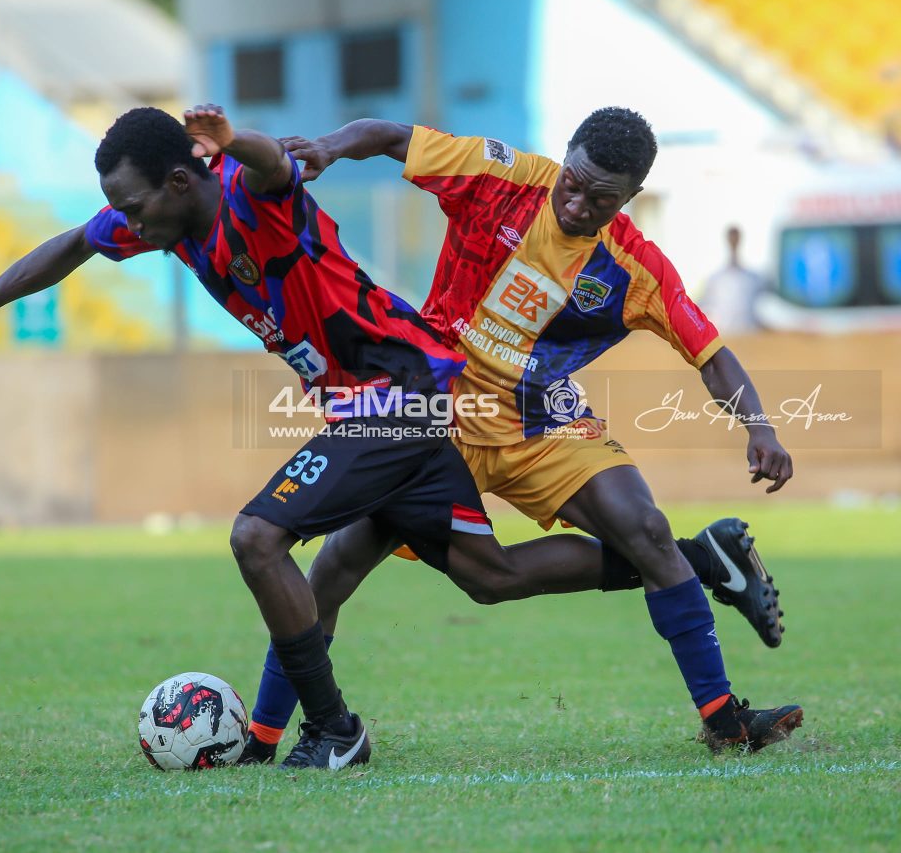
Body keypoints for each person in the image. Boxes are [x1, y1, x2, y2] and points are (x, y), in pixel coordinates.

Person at [0, 104, 719, 771]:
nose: (124, 220)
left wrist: (235, 139)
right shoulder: (164, 225)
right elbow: (73, 245)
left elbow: (270, 164)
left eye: (134, 203)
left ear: (183, 179)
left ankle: (336, 730)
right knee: (484, 576)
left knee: (259, 537)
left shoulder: (251, 202)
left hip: (402, 393)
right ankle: (689, 559)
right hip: (395, 407)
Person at [239, 108, 802, 764]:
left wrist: (758, 426)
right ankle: (262, 738)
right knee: (340, 568)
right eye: (573, 181)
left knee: (643, 529)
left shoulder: (635, 266)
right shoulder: (500, 178)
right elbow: (394, 137)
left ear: (631, 200)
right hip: (434, 413)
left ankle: (723, 718)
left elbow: (711, 353)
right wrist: (329, 147)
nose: (577, 202)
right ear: (563, 158)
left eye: (601, 198)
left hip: (542, 420)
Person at [700, 226, 766, 334]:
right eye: (732, 237)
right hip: (726, 336)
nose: (734, 240)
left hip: (749, 336)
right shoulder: (716, 280)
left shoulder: (753, 279)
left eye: (736, 237)